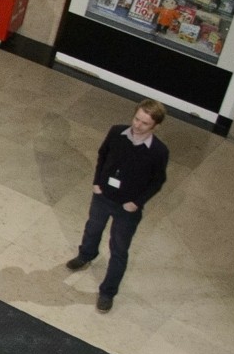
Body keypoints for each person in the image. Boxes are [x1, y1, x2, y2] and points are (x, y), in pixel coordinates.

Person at [67, 99, 169, 312]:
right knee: (92, 228)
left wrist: (137, 202)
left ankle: (108, 291)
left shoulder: (159, 151)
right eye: (136, 119)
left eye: (145, 123)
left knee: (119, 249)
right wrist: (97, 182)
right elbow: (102, 155)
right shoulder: (116, 132)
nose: (137, 125)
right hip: (103, 196)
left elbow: (157, 181)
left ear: (156, 126)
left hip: (127, 208)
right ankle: (86, 255)